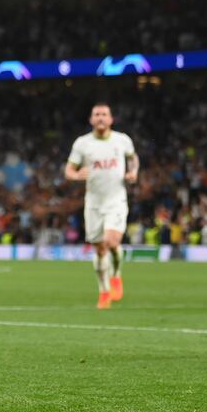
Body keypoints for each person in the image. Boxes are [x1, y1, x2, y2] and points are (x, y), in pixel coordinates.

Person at [65, 103, 139, 309]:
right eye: (96, 114)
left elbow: (133, 160)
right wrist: (76, 175)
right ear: (91, 119)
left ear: (111, 119)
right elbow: (69, 170)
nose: (100, 118)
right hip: (93, 204)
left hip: (116, 200)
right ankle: (104, 290)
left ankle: (116, 275)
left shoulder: (122, 140)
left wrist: (133, 173)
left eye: (104, 114)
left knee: (111, 241)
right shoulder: (82, 144)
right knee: (99, 249)